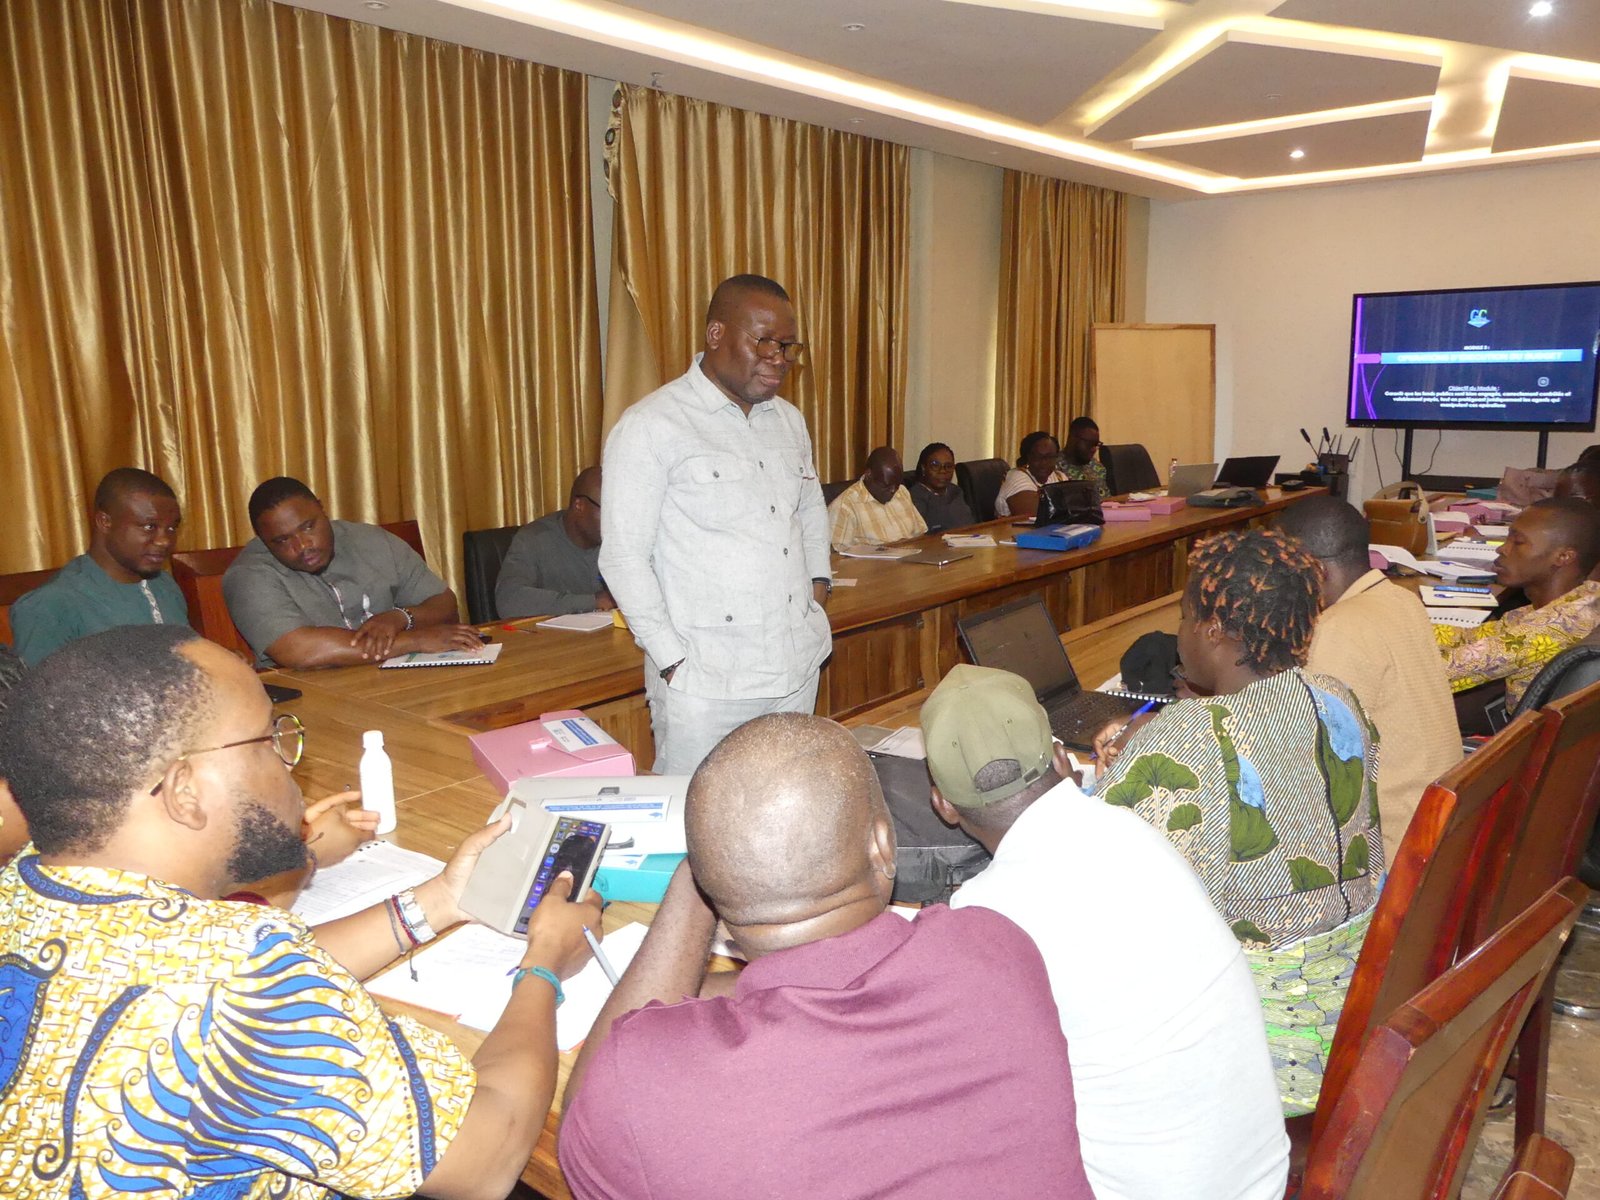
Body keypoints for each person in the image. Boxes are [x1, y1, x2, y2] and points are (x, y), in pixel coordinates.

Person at [0, 624, 600, 1199]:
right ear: (184, 790)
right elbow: (490, 1158)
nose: (292, 762)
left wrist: (441, 899)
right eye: (268, 737)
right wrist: (545, 963)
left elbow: (211, 985)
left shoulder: (28, 882)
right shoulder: (241, 980)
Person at [558, 713, 1094, 1199]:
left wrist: (694, 883)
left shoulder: (643, 1084)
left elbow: (584, 1124)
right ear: (884, 846)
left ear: (710, 881)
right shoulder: (995, 947)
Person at [920, 664, 1290, 1200]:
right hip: (1260, 1178)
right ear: (1061, 760)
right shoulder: (1136, 828)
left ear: (944, 805)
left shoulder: (986, 915)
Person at [1092, 529, 1382, 1117]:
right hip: (1358, 1015)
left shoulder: (1180, 740)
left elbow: (1096, 879)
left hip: (1252, 1050)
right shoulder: (1337, 699)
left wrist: (1107, 774)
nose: (1177, 632)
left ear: (1213, 630)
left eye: (1182, 616)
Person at [599, 275, 833, 776]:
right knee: (695, 830)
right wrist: (671, 660)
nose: (779, 358)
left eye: (789, 346)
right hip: (704, 686)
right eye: (764, 341)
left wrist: (818, 590)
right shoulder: (652, 426)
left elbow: (810, 508)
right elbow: (621, 557)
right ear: (715, 335)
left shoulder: (789, 422)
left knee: (786, 813)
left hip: (795, 667)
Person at [1278, 496, 1461, 864]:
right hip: (1440, 830)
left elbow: (1311, 766)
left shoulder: (1340, 628)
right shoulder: (1399, 599)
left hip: (1392, 854)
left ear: (1315, 571)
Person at [223, 476, 480, 668]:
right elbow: (300, 651)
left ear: (322, 509)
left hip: (398, 681)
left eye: (308, 527)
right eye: (281, 540)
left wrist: (401, 617)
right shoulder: (248, 575)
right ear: (263, 540)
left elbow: (445, 603)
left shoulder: (372, 540)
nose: (302, 546)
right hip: (312, 698)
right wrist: (416, 641)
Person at [11, 467, 190, 665]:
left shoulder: (165, 586)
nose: (164, 541)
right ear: (104, 522)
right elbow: (42, 693)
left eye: (172, 528)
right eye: (150, 527)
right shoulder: (50, 606)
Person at [1436, 497, 1600, 708]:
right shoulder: (1583, 599)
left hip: (1514, 738)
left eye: (1518, 542)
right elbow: (1471, 637)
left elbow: (1436, 674)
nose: (1502, 549)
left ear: (1563, 557)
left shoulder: (1544, 631)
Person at [495, 465, 614, 619]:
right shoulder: (534, 539)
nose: (615, 520)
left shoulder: (622, 539)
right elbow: (509, 601)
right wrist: (592, 602)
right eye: (607, 511)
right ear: (580, 506)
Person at [827, 446, 928, 550]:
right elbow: (837, 558)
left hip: (911, 561)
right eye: (886, 486)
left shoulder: (902, 492)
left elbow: (920, 535)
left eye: (896, 484)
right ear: (869, 474)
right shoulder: (844, 507)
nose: (893, 490)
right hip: (874, 565)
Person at [994, 430, 1067, 518]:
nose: (1044, 463)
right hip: (1016, 531)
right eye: (1038, 457)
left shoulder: (1059, 477)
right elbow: (1034, 514)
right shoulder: (1017, 477)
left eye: (1050, 457)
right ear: (1027, 457)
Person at [908, 441, 976, 532]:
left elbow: (969, 524)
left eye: (948, 466)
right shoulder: (914, 497)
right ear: (924, 468)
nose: (942, 471)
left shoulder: (955, 491)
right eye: (935, 466)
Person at [1060, 415, 1109, 499]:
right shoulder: (1053, 468)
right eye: (1089, 443)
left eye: (1096, 444)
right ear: (1072, 439)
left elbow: (1107, 501)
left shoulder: (1097, 468)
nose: (1094, 449)